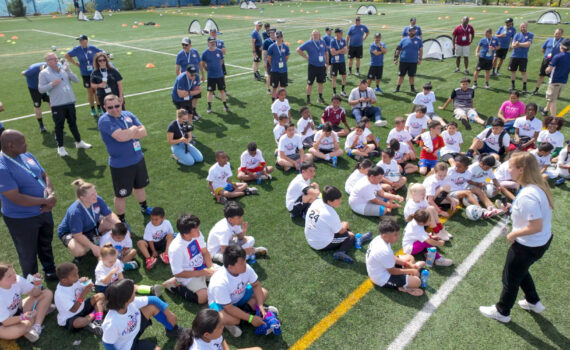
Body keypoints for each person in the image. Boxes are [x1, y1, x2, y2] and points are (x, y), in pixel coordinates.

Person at [479, 152, 553, 323]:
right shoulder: (537, 187)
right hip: (541, 242)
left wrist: (514, 233)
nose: (508, 169)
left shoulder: (528, 194)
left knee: (510, 278)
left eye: (510, 167)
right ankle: (533, 301)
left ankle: (502, 311)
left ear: (521, 170)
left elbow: (535, 225)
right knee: (521, 271)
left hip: (528, 245)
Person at [0, 130, 57, 279]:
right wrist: (45, 201)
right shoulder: (2, 167)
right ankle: (31, 281)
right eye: (23, 143)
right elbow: (15, 197)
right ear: (11, 146)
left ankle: (50, 270)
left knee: (45, 243)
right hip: (21, 219)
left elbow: (44, 175)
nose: (27, 144)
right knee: (28, 252)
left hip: (43, 211)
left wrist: (50, 193)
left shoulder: (27, 156)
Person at [98, 94, 153, 221]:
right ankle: (121, 219)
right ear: (105, 107)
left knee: (140, 186)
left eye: (117, 106)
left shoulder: (128, 114)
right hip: (121, 165)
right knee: (121, 195)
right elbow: (120, 137)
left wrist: (128, 133)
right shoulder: (104, 120)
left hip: (138, 158)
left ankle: (144, 207)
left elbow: (144, 132)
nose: (114, 109)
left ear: (121, 103)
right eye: (110, 107)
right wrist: (134, 129)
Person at [207, 244, 277, 338]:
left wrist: (260, 305)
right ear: (230, 267)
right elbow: (229, 308)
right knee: (234, 320)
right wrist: (251, 319)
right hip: (222, 305)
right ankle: (234, 321)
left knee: (264, 292)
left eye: (244, 260)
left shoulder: (246, 268)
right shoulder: (219, 282)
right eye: (241, 263)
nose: (245, 264)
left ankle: (251, 313)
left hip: (239, 296)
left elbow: (256, 285)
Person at [102, 279, 183, 348]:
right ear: (127, 299)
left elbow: (154, 299)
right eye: (134, 291)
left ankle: (173, 330)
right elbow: (107, 344)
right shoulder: (111, 324)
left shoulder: (129, 303)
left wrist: (168, 313)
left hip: (135, 329)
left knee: (152, 307)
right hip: (128, 346)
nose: (136, 290)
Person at [38, 52, 92, 157]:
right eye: (53, 59)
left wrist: (68, 70)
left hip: (70, 101)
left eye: (56, 58)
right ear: (48, 62)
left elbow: (76, 80)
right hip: (57, 104)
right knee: (59, 126)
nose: (56, 60)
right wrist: (52, 84)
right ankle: (61, 147)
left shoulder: (64, 69)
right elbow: (41, 89)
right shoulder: (44, 73)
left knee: (73, 123)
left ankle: (79, 142)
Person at [305, 185, 370, 264]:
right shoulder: (330, 213)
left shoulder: (317, 202)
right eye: (338, 199)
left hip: (311, 238)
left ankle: (356, 238)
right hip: (321, 244)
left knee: (344, 229)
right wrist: (345, 225)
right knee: (350, 236)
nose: (340, 201)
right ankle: (341, 252)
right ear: (329, 201)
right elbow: (340, 231)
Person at [58, 179, 120, 261]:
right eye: (92, 194)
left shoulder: (98, 199)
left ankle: (96, 239)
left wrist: (120, 225)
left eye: (95, 192)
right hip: (71, 232)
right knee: (79, 250)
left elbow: (109, 215)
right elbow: (77, 235)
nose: (96, 195)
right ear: (83, 198)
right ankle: (87, 246)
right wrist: (93, 247)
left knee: (113, 225)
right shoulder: (75, 212)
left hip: (91, 226)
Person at [366, 220, 425, 297]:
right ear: (385, 236)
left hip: (383, 267)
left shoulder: (379, 239)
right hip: (382, 278)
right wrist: (411, 270)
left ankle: (409, 277)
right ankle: (403, 288)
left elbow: (391, 257)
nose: (398, 237)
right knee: (417, 282)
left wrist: (407, 264)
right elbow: (392, 271)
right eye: (395, 235)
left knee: (410, 258)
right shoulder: (383, 251)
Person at [168, 213, 217, 304]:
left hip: (203, 267)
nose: (199, 230)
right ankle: (175, 286)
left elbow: (205, 252)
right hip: (189, 275)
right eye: (196, 229)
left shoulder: (197, 235)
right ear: (186, 234)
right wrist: (201, 272)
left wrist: (211, 268)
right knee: (203, 298)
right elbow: (178, 273)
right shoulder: (176, 248)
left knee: (224, 276)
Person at [0, 263, 53, 343]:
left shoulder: (17, 279)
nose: (14, 275)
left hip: (18, 311)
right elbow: (6, 322)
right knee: (25, 325)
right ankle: (41, 312)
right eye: (9, 276)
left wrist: (37, 283)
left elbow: (35, 293)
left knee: (47, 293)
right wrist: (23, 317)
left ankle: (36, 327)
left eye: (14, 272)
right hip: (3, 324)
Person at [207, 201, 268, 265]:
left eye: (241, 216)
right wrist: (243, 251)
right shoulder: (224, 230)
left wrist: (244, 230)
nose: (241, 219)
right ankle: (249, 253)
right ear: (230, 219)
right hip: (216, 252)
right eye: (239, 217)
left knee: (251, 239)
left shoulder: (234, 222)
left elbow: (240, 238)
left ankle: (247, 255)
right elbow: (224, 252)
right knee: (230, 259)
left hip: (228, 244)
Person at [54, 262, 105, 336]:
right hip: (71, 316)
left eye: (77, 273)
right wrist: (84, 293)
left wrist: (85, 283)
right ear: (64, 280)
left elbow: (79, 286)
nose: (77, 276)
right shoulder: (61, 294)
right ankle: (94, 315)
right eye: (74, 275)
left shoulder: (73, 281)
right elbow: (74, 309)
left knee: (101, 296)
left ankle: (98, 320)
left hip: (82, 307)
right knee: (80, 322)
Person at [175, 309, 262, 350]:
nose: (223, 327)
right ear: (207, 335)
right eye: (220, 327)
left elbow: (222, 341)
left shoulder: (213, 335)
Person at [65, 34, 103, 117]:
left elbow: (102, 53)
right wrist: (75, 63)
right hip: (85, 74)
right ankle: (92, 109)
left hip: (95, 73)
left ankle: (99, 108)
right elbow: (67, 55)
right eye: (80, 40)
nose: (81, 41)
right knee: (90, 92)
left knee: (96, 91)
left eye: (82, 40)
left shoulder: (92, 48)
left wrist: (98, 63)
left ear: (86, 40)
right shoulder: (77, 49)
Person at [297, 30, 328, 105]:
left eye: (317, 34)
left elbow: (326, 53)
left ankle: (320, 97)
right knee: (310, 83)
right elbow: (298, 50)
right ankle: (308, 99)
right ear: (312, 35)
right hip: (312, 66)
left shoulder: (323, 42)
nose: (315, 36)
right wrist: (306, 56)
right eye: (314, 34)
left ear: (319, 35)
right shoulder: (309, 43)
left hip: (321, 66)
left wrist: (327, 63)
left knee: (320, 83)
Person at [541, 38, 570, 117]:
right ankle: (545, 110)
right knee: (553, 97)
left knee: (552, 99)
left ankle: (554, 118)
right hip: (563, 81)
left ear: (561, 46)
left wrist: (546, 69)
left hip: (554, 81)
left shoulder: (558, 56)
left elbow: (548, 70)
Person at [176, 37, 203, 119]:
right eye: (183, 44)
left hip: (196, 78)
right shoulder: (180, 54)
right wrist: (179, 79)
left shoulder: (195, 52)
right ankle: (188, 115)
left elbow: (199, 63)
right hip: (186, 80)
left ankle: (194, 111)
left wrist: (203, 74)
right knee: (187, 98)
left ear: (190, 45)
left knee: (196, 96)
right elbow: (177, 68)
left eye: (186, 45)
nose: (184, 46)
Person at [532, 28, 564, 96]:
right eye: (556, 33)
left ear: (561, 34)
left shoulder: (563, 41)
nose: (557, 35)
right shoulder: (549, 40)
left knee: (553, 78)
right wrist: (547, 56)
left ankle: (552, 92)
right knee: (541, 75)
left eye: (559, 34)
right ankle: (536, 90)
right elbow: (543, 49)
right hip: (546, 60)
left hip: (556, 62)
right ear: (554, 33)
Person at [202, 36, 230, 113]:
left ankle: (225, 105)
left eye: (214, 42)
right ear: (208, 43)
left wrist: (218, 69)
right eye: (211, 42)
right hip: (211, 76)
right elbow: (203, 64)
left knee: (222, 90)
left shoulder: (219, 51)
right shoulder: (205, 53)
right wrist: (207, 70)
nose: (213, 43)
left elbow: (221, 61)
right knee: (210, 91)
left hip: (220, 75)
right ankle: (209, 106)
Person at [393, 26, 422, 93]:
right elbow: (398, 49)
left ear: (415, 32)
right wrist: (395, 59)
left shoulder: (418, 40)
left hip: (413, 61)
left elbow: (421, 50)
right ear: (408, 32)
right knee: (401, 75)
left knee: (411, 76)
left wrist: (420, 59)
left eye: (413, 31)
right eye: (410, 31)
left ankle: (412, 88)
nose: (411, 32)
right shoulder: (403, 40)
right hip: (403, 61)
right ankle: (397, 88)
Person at [21, 62, 48, 133]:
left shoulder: (49, 66)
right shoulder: (32, 70)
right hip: (34, 88)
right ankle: (41, 125)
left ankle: (56, 119)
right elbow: (23, 73)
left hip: (45, 87)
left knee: (52, 102)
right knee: (37, 105)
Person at [508, 22, 534, 93]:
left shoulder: (530, 35)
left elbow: (528, 44)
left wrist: (518, 44)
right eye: (522, 27)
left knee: (523, 72)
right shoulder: (517, 35)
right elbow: (513, 45)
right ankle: (513, 85)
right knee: (513, 71)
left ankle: (524, 87)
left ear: (527, 27)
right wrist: (519, 44)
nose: (523, 28)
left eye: (524, 27)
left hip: (523, 57)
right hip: (514, 56)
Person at [267, 31, 290, 99]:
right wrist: (273, 65)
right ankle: (274, 100)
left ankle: (283, 100)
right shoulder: (272, 47)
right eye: (277, 37)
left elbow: (286, 57)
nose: (279, 38)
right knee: (274, 87)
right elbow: (269, 58)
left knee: (284, 87)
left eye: (280, 37)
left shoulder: (285, 46)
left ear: (282, 37)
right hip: (275, 70)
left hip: (283, 70)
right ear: (275, 38)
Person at [330, 28, 348, 97]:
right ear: (336, 33)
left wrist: (338, 51)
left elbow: (346, 51)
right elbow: (333, 53)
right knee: (334, 77)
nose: (342, 34)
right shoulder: (333, 41)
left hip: (342, 61)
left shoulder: (343, 40)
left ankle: (342, 91)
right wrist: (341, 50)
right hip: (334, 62)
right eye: (340, 33)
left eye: (342, 33)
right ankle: (334, 92)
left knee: (344, 76)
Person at [262, 28, 276, 95]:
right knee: (269, 75)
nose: (272, 34)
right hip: (270, 61)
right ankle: (268, 89)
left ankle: (277, 89)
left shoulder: (278, 40)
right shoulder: (266, 42)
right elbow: (264, 52)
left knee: (277, 75)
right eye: (271, 33)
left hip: (277, 61)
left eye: (273, 33)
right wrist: (264, 61)